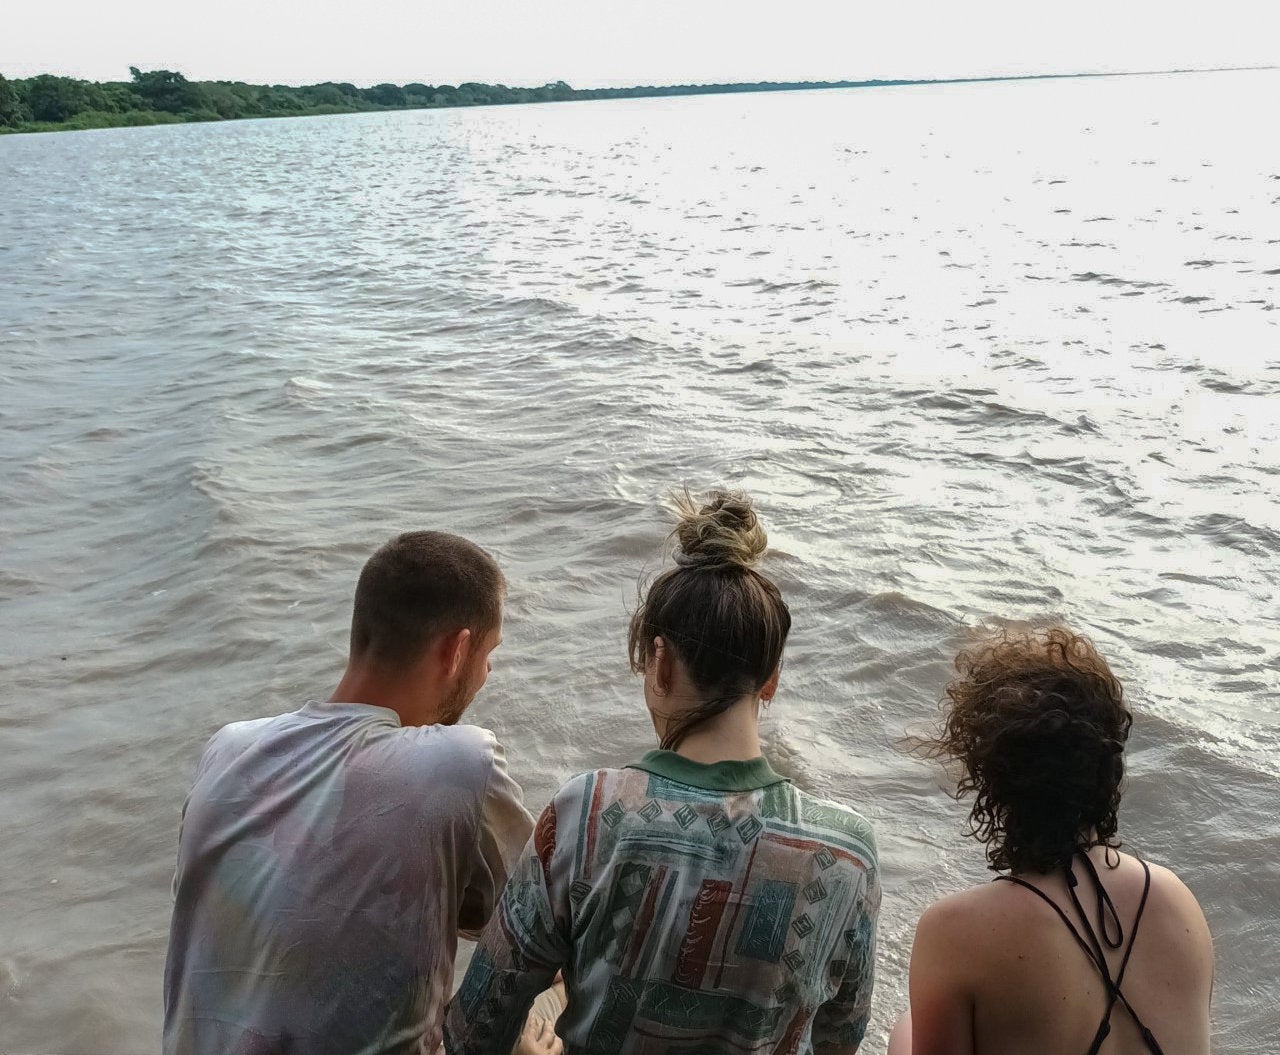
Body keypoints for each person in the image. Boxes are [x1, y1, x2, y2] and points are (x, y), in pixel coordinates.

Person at [444, 489, 881, 1055]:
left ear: (661, 662)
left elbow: (475, 1028)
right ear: (770, 679)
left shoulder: (588, 812)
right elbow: (842, 1038)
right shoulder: (848, 850)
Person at [163, 530, 550, 1055]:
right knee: (551, 1004)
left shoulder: (227, 749)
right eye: (489, 654)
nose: (487, 673)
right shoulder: (459, 762)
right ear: (456, 650)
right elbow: (534, 928)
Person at [891, 627, 1214, 1055]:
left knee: (905, 1030)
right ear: (1107, 764)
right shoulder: (1177, 900)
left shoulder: (956, 930)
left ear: (992, 778)